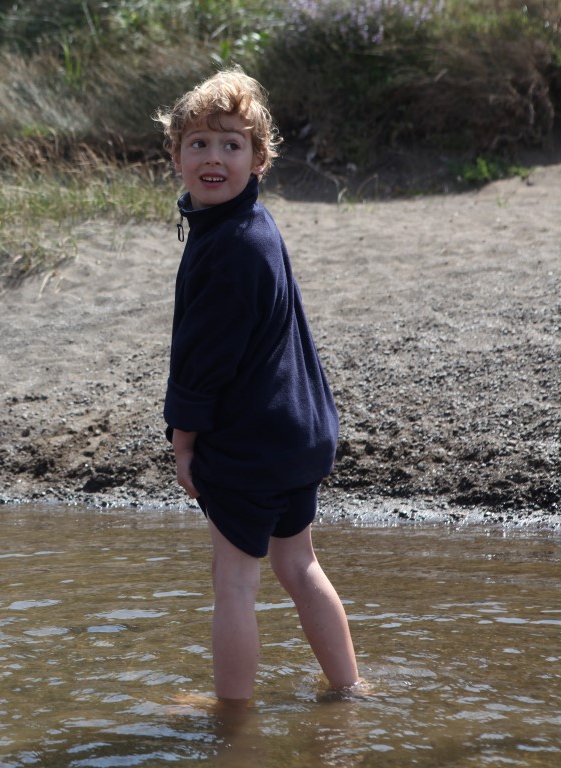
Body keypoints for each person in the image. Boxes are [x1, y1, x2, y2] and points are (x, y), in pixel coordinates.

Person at [155, 68, 360, 704]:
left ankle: (232, 718)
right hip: (298, 431)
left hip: (251, 442)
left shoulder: (229, 246)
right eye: (199, 143)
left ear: (259, 159)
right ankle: (350, 689)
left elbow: (205, 361)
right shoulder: (252, 226)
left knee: (235, 582)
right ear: (177, 156)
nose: (214, 158)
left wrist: (184, 441)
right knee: (299, 564)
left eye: (232, 144)